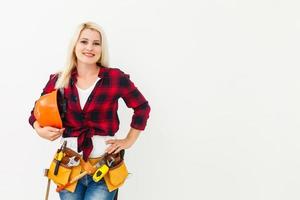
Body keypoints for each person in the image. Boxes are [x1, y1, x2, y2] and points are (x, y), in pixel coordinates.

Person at [28, 21, 151, 200]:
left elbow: (142, 107)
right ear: (75, 45)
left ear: (102, 48)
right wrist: (40, 130)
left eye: (96, 43)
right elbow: (35, 113)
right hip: (69, 168)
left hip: (105, 167)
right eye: (84, 41)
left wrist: (129, 141)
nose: (90, 48)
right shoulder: (58, 80)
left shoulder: (115, 78)